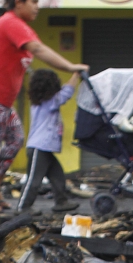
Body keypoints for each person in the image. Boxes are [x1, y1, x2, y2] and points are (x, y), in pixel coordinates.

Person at [0, 0, 88, 215]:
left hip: (0, 102)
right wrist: (70, 66)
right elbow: (39, 49)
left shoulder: (18, 26)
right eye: (33, 1)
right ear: (18, 2)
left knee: (15, 140)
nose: (37, 7)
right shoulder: (11, 22)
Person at [17, 68, 80, 213]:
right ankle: (23, 206)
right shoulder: (47, 102)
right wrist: (76, 74)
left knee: (57, 175)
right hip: (39, 147)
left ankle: (61, 202)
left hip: (45, 148)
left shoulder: (43, 102)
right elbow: (66, 93)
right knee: (34, 180)